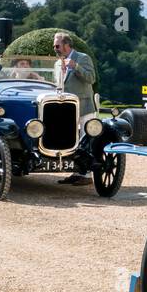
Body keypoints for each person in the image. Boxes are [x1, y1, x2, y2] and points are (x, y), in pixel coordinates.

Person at [53, 32, 97, 186]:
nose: (55, 48)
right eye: (54, 46)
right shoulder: (57, 63)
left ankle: (87, 175)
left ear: (66, 45)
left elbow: (92, 78)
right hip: (66, 110)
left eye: (57, 45)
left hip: (84, 107)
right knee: (71, 141)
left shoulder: (83, 58)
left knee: (86, 140)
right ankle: (77, 171)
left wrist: (75, 66)